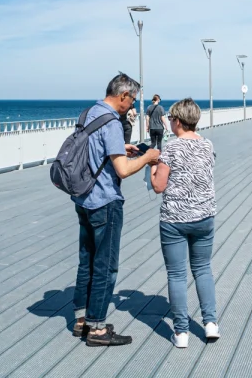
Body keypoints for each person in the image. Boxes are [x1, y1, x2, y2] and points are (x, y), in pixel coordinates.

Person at [71, 73, 159, 347]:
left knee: (87, 260)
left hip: (83, 198)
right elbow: (122, 169)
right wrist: (146, 157)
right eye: (131, 100)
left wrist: (121, 148)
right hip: (104, 200)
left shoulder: (89, 113)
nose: (132, 106)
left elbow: (95, 151)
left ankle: (82, 320)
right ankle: (97, 329)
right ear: (122, 95)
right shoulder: (112, 122)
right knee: (105, 266)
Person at [151, 98, 219, 348]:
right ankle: (210, 324)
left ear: (178, 121)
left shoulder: (170, 147)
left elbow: (159, 186)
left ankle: (181, 333)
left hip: (175, 220)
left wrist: (152, 166)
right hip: (204, 217)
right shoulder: (207, 144)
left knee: (177, 274)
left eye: (170, 119)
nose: (169, 123)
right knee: (203, 269)